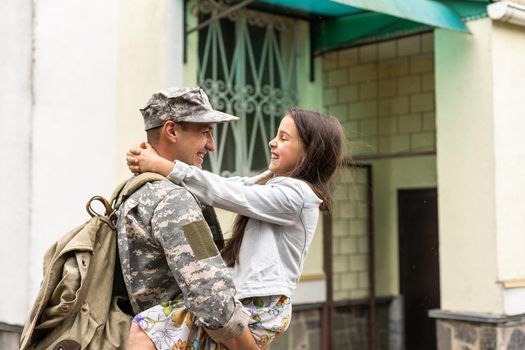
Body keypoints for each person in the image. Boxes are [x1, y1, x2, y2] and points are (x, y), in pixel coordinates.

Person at [127, 106, 345, 349]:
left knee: (145, 329)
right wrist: (161, 166)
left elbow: (232, 193)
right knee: (145, 328)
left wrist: (164, 166)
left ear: (310, 151)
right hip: (250, 300)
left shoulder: (298, 196)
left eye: (284, 138)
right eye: (276, 135)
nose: (272, 142)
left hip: (259, 305)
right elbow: (232, 185)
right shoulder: (275, 185)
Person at [117, 87, 259, 350]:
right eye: (205, 132)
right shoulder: (175, 201)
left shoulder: (134, 190)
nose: (212, 146)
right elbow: (212, 299)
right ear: (171, 131)